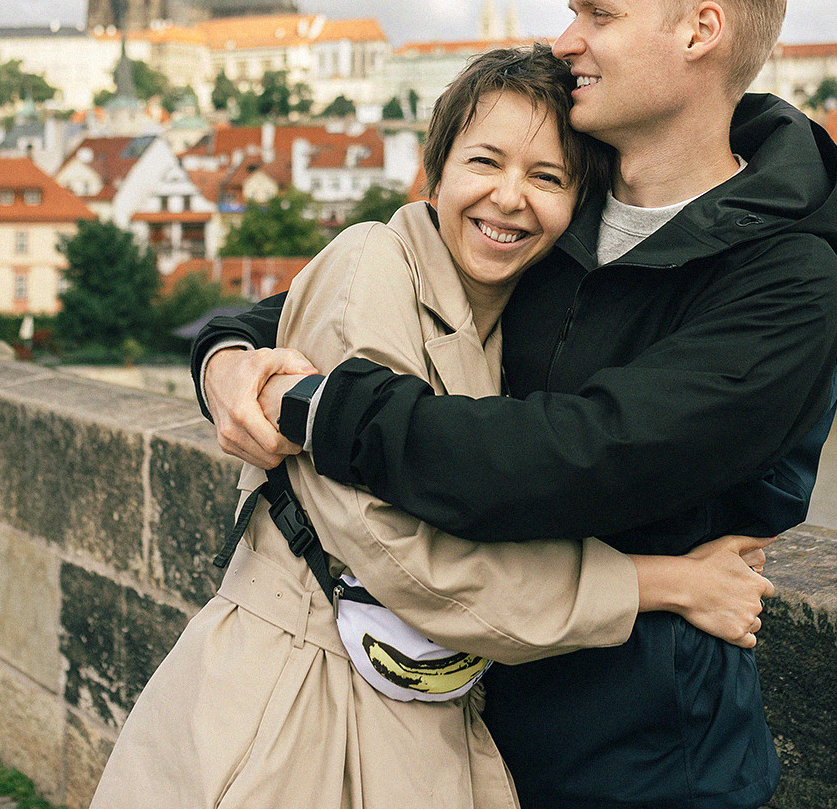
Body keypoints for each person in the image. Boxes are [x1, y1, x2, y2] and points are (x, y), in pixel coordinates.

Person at [194, 0, 837, 809]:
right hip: (460, 728)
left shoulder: (785, 279)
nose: (565, 41)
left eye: (597, 14)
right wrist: (225, 357)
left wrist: (312, 405)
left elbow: (570, 459)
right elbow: (348, 292)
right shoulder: (557, 202)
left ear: (699, 30)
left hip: (644, 763)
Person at [91, 46, 777, 809]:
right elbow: (404, 558)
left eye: (547, 177)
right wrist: (667, 584)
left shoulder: (515, 316)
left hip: (419, 717)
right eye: (485, 162)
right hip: (296, 706)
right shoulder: (371, 263)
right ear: (435, 172)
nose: (509, 197)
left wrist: (221, 348)